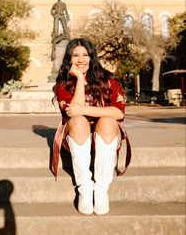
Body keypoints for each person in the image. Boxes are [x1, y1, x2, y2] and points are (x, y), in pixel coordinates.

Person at [52, 38, 131, 215]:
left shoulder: (109, 80)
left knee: (108, 120)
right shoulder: (63, 85)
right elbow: (73, 112)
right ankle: (85, 189)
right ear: (69, 59)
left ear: (92, 57)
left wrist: (86, 109)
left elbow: (119, 113)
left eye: (85, 55)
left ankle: (101, 189)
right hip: (75, 136)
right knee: (79, 121)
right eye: (75, 55)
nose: (80, 60)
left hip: (106, 135)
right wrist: (79, 78)